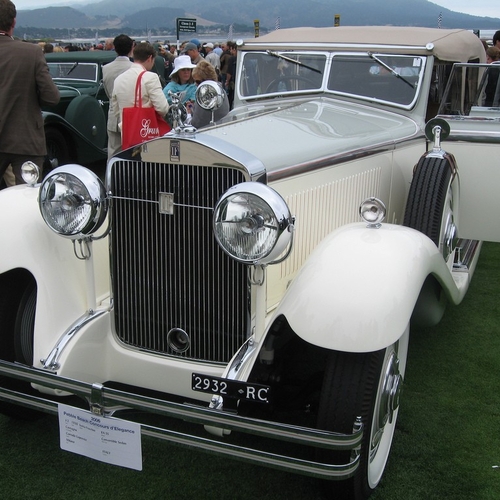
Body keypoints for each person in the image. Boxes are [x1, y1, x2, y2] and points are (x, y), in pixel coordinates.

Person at [0, 0, 60, 185]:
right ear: (13, 22)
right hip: (25, 137)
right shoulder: (31, 52)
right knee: (26, 196)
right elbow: (52, 97)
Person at [111, 42, 169, 144]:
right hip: (146, 132)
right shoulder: (151, 77)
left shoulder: (118, 79)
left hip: (127, 134)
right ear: (150, 58)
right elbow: (162, 108)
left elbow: (115, 110)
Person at [102, 34, 134, 161]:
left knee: (113, 154)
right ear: (131, 48)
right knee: (132, 154)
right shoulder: (134, 68)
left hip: (113, 115)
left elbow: (107, 91)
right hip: (131, 114)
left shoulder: (106, 68)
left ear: (114, 48)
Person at [190, 60, 229, 129]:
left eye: (197, 82)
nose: (195, 84)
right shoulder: (221, 91)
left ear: (205, 80)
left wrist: (188, 114)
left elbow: (196, 123)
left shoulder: (205, 96)